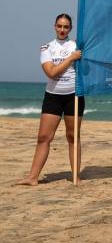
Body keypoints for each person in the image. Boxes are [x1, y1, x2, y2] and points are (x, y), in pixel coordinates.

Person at [15, 14, 84, 186]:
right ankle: (32, 177)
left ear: (70, 28)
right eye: (59, 26)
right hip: (53, 96)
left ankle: (76, 176)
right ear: (54, 26)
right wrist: (70, 59)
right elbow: (51, 73)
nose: (62, 30)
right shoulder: (46, 48)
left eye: (66, 27)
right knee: (44, 137)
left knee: (72, 137)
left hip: (74, 96)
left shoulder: (77, 45)